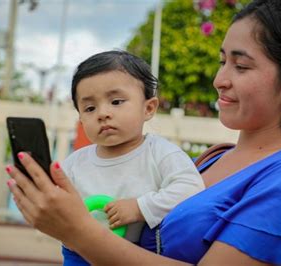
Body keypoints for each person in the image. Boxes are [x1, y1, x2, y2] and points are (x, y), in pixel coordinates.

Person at [6, 0, 281, 264]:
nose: (219, 80)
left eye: (241, 65)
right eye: (223, 61)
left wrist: (78, 232)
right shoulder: (212, 158)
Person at [62, 50, 204, 265]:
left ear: (148, 108)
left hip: (135, 255)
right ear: (81, 118)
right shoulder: (74, 163)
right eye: (90, 108)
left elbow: (191, 188)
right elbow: (58, 202)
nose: (103, 113)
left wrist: (140, 207)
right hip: (79, 254)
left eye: (116, 102)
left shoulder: (161, 153)